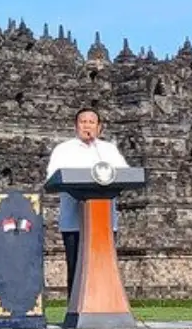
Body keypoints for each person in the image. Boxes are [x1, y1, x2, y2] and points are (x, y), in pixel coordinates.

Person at [45, 107, 129, 299]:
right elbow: (52, 177)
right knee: (77, 267)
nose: (87, 126)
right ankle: (75, 310)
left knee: (105, 267)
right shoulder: (64, 149)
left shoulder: (108, 150)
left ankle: (107, 307)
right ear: (76, 126)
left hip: (104, 223)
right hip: (75, 221)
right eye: (83, 122)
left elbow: (124, 174)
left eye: (92, 122)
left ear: (99, 127)